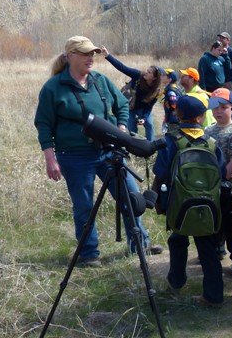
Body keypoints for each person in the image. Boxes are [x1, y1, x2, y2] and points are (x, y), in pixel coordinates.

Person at [34, 35, 151, 267]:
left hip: (109, 152)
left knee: (130, 196)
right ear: (70, 57)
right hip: (74, 155)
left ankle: (139, 243)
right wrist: (50, 158)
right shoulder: (53, 87)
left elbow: (121, 106)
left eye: (93, 54)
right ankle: (89, 254)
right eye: (86, 53)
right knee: (84, 206)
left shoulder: (100, 80)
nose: (91, 58)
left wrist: (119, 129)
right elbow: (43, 124)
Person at [153, 95, 225, 307]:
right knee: (207, 247)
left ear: (177, 114)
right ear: (202, 117)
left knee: (177, 239)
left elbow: (161, 172)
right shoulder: (211, 142)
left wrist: (157, 198)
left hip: (178, 202)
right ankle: (214, 295)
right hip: (207, 204)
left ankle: (176, 281)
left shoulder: (170, 140)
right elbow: (221, 173)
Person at [205, 88, 232, 276]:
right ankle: (218, 248)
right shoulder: (208, 130)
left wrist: (221, 177)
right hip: (212, 188)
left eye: (224, 107)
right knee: (215, 221)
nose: (219, 112)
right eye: (215, 108)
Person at [100, 48, 164, 141]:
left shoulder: (156, 91)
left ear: (154, 78)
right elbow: (122, 67)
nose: (146, 72)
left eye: (149, 72)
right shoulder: (138, 75)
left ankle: (151, 146)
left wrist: (144, 118)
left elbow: (149, 107)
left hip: (142, 108)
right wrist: (108, 56)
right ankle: (135, 146)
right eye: (147, 70)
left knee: (149, 124)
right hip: (129, 106)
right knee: (131, 127)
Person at [161, 68, 182, 133]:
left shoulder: (171, 91)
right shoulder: (176, 87)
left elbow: (174, 104)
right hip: (175, 119)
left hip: (174, 121)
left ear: (169, 79)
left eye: (164, 75)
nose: (161, 76)